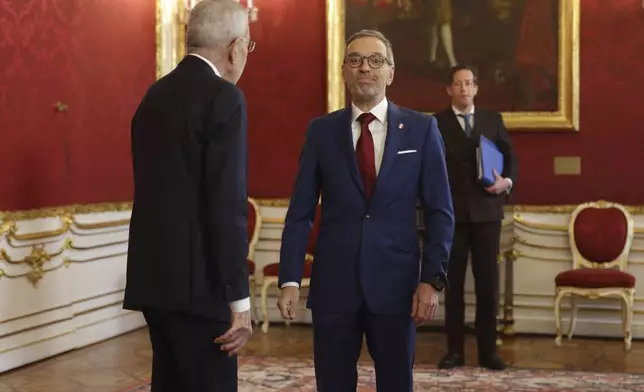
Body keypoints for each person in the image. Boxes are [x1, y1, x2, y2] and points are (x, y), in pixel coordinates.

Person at [277, 29, 455, 391]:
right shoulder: (321, 132)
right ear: (344, 70)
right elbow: (301, 211)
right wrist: (290, 279)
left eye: (376, 60)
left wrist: (430, 280)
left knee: (395, 382)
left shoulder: (421, 130)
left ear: (391, 72)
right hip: (333, 286)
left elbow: (441, 211)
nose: (365, 68)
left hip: (397, 286)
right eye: (355, 60)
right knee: (333, 383)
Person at [123, 1, 255, 391]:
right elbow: (226, 206)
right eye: (248, 46)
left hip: (154, 283)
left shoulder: (154, 95)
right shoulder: (224, 98)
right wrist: (240, 303)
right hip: (202, 288)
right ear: (234, 48)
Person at [434, 64, 518, 371]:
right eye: (458, 84)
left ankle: (488, 352)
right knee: (453, 286)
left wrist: (506, 182)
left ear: (476, 88)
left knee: (487, 286)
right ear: (449, 89)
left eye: (469, 83)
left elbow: (511, 158)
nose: (464, 89)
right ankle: (454, 351)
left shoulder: (491, 119)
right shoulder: (436, 123)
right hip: (451, 216)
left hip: (486, 214)